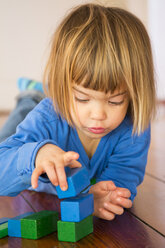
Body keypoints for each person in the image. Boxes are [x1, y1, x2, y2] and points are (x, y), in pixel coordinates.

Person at [0, 4, 156, 221]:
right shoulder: (47, 117)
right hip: (41, 110)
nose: (98, 115)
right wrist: (36, 155)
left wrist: (102, 199)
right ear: (61, 86)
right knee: (16, 123)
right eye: (82, 98)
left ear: (134, 95)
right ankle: (31, 95)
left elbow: (123, 179)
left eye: (115, 101)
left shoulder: (133, 126)